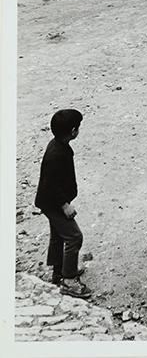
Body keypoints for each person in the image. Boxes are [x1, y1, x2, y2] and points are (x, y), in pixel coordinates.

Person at [34, 109, 91, 298]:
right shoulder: (56, 154)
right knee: (74, 237)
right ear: (73, 131)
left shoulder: (59, 145)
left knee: (58, 236)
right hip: (54, 204)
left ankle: (59, 271)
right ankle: (69, 280)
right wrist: (65, 205)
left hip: (50, 202)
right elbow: (50, 185)